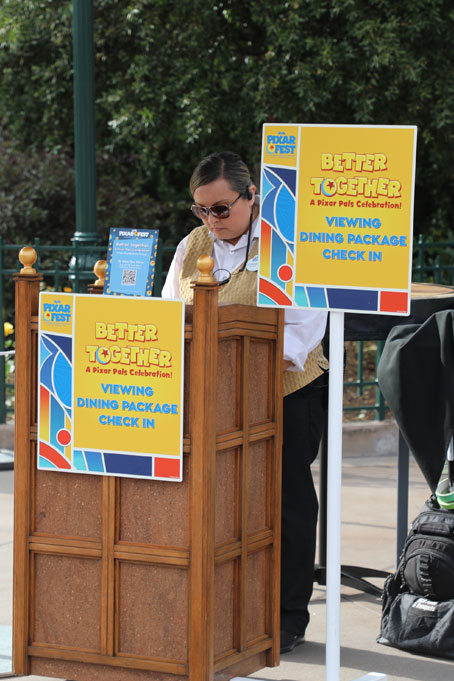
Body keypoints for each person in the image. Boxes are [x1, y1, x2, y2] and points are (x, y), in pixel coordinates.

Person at [162, 151, 328, 654]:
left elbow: (303, 330)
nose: (212, 220)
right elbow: (172, 313)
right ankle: (226, 608)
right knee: (222, 505)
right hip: (212, 397)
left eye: (221, 208)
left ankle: (286, 616)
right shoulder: (191, 247)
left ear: (252, 197)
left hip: (285, 395)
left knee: (286, 502)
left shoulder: (287, 244)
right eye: (201, 210)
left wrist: (238, 352)